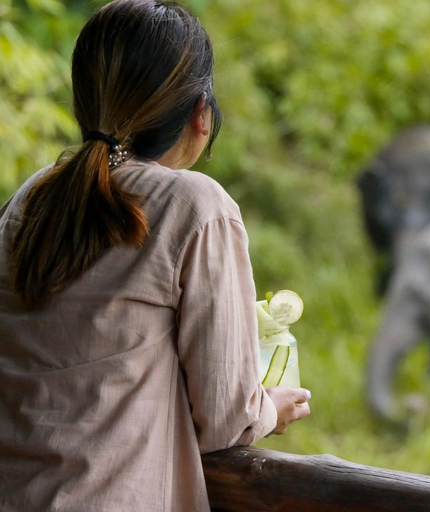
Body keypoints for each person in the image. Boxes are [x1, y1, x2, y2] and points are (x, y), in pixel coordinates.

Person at [0, 1, 310, 510]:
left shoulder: (30, 195)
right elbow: (226, 417)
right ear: (200, 115)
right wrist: (268, 409)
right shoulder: (195, 206)